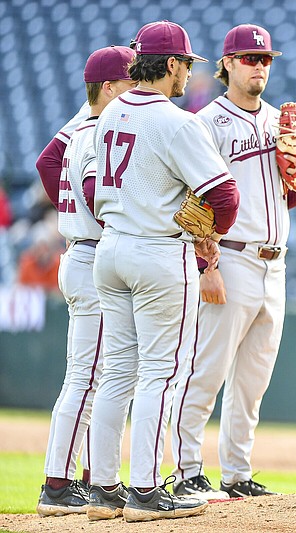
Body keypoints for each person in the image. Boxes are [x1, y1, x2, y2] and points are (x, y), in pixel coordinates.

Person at [86, 20, 240, 523]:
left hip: (110, 248)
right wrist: (207, 237)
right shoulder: (177, 121)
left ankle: (103, 489)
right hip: (157, 251)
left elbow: (91, 190)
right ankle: (147, 491)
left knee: (116, 373)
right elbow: (224, 195)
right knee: (162, 373)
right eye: (186, 65)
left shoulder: (108, 115)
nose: (187, 75)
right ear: (172, 64)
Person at [170, 23, 296, 500]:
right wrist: (206, 266)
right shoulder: (205, 122)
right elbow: (195, 202)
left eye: (266, 60)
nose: (259, 66)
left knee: (252, 383)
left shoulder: (280, 121)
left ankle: (236, 474)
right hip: (228, 258)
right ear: (227, 64)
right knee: (206, 372)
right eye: (250, 58)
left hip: (275, 262)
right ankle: (187, 470)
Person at [35, 46, 137, 517]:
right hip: (92, 257)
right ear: (111, 88)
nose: (138, 89)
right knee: (89, 377)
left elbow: (50, 166)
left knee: (95, 377)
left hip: (85, 253)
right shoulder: (98, 132)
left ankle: (90, 479)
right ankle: (58, 484)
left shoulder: (82, 131)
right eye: (131, 81)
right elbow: (100, 199)